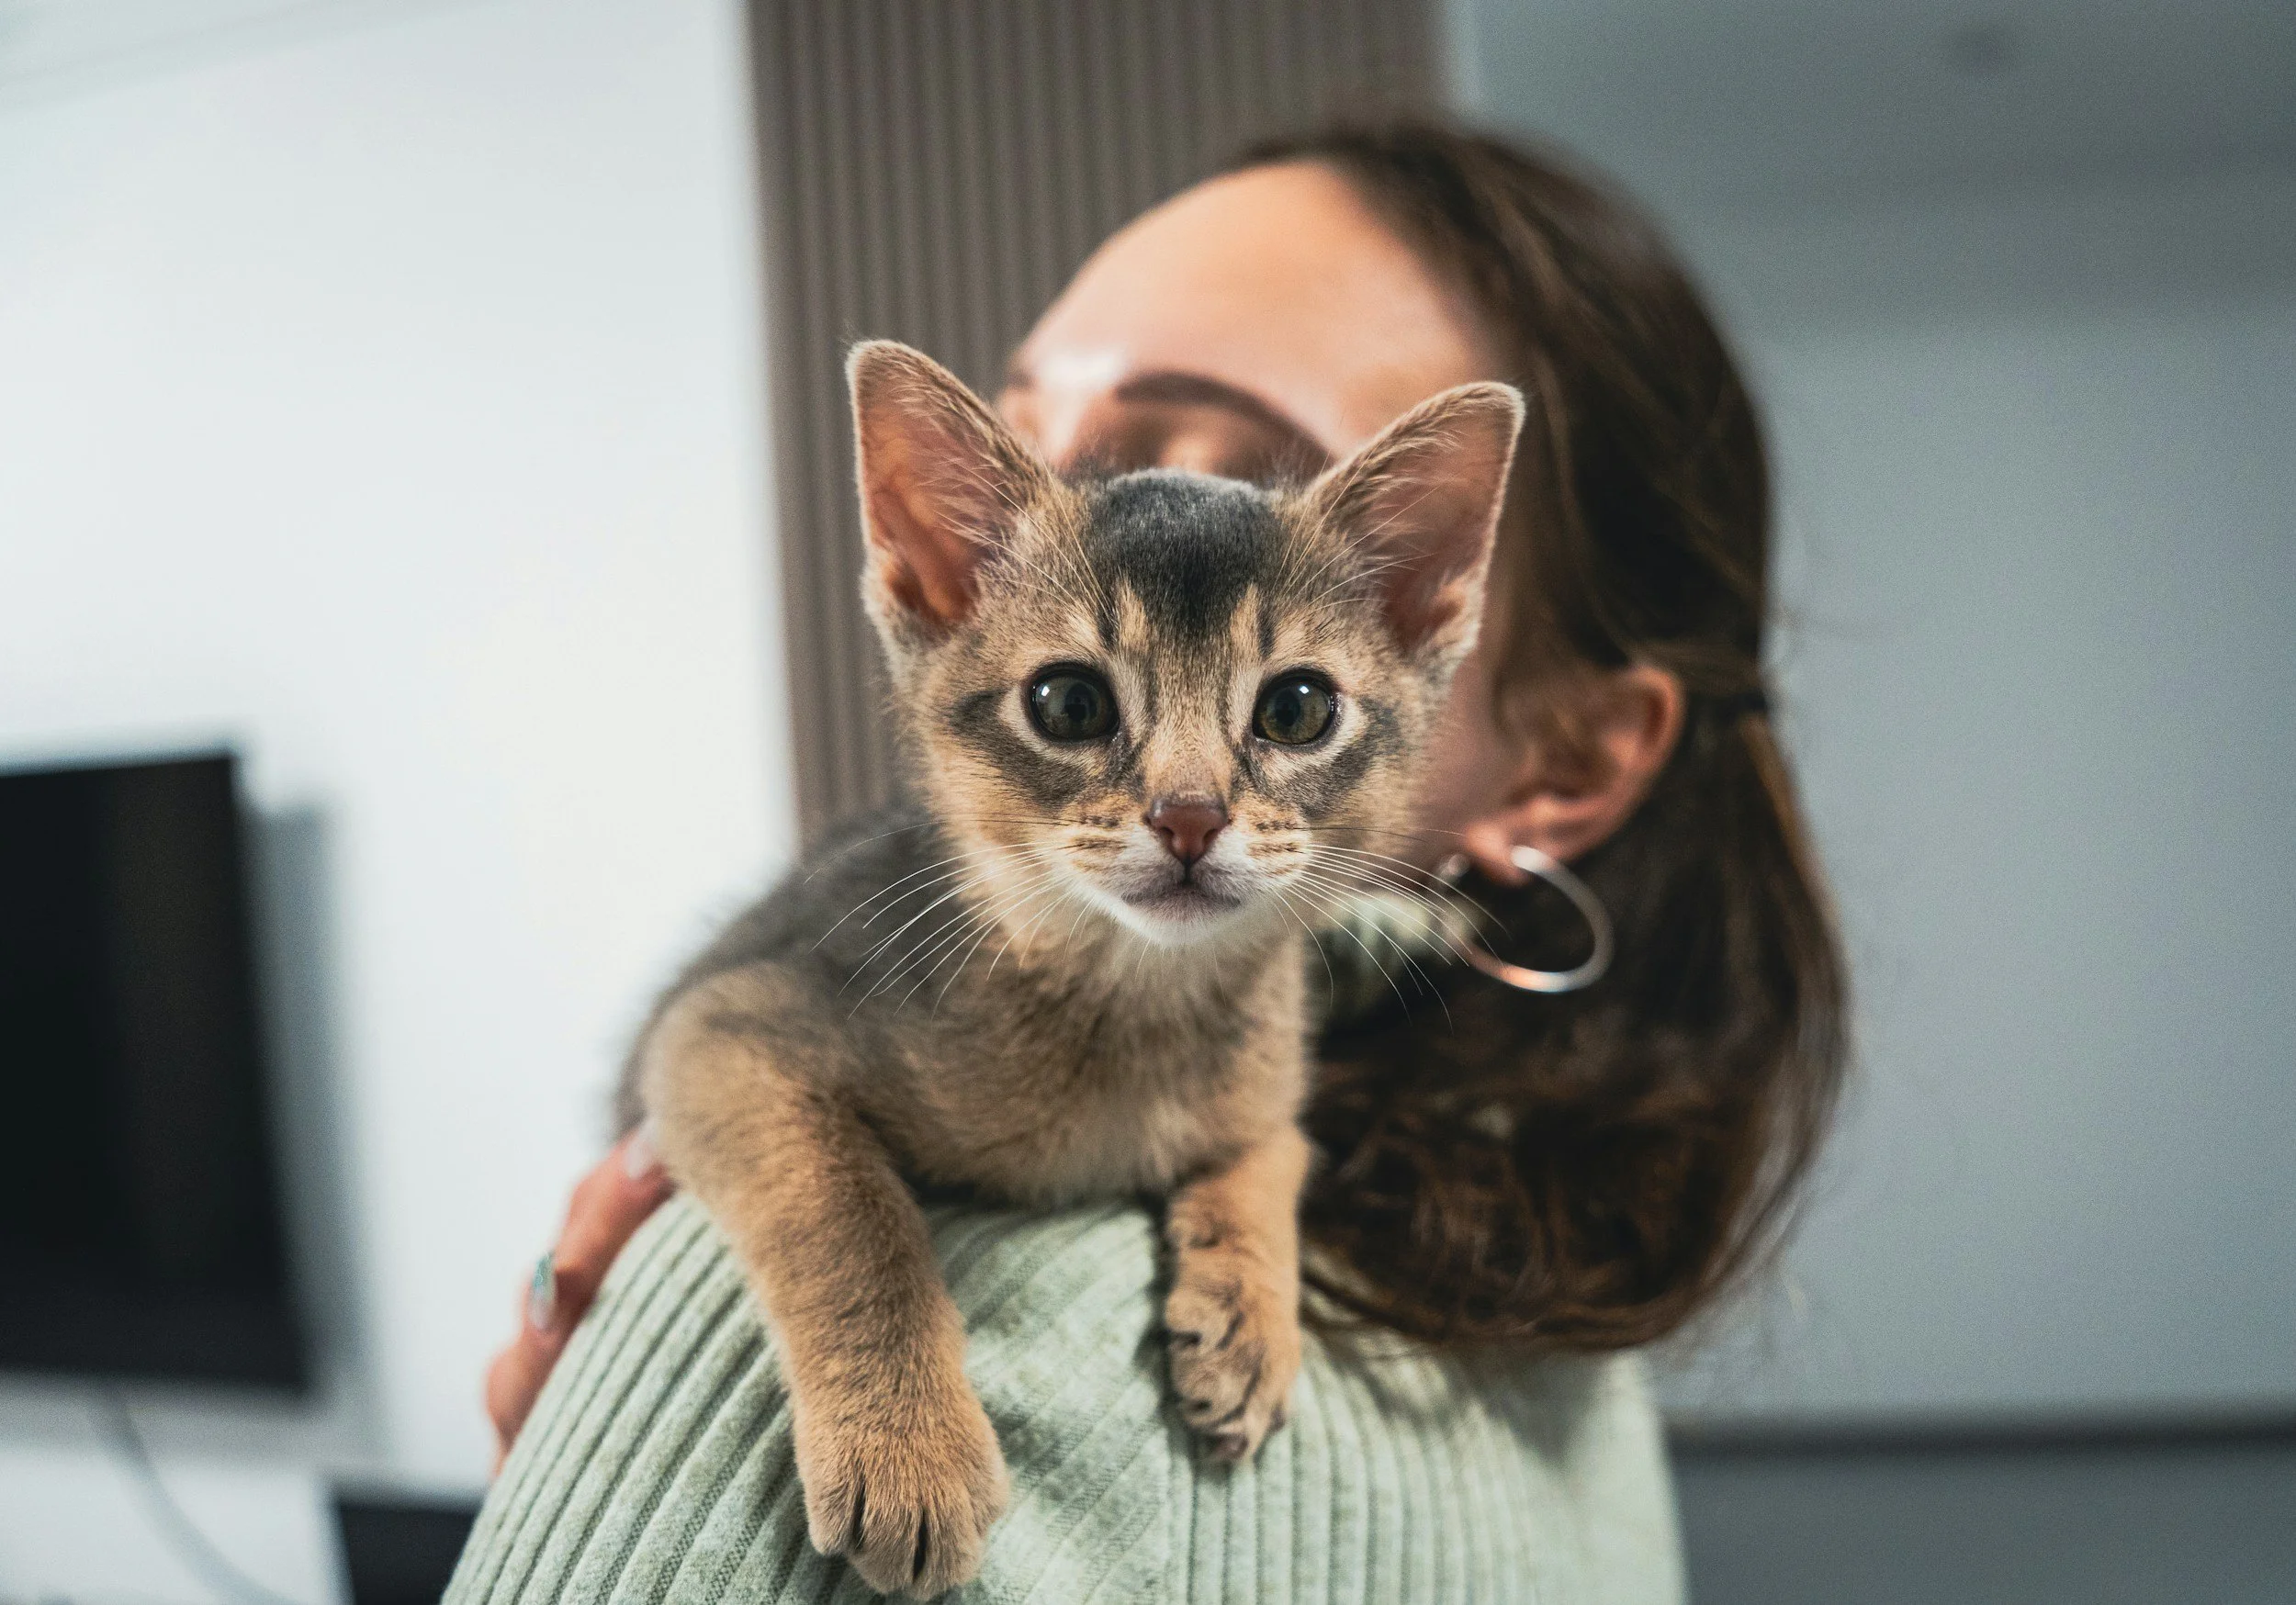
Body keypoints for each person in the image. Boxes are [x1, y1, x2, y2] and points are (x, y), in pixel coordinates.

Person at [454, 120, 1845, 1603]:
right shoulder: (1561, 1308)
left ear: (1450, 632)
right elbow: (724, 1053)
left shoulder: (1051, 1346)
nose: (1185, 809)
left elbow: (1238, 1123)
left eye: (1293, 707)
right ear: (933, 577)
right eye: (1073, 699)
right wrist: (869, 1332)